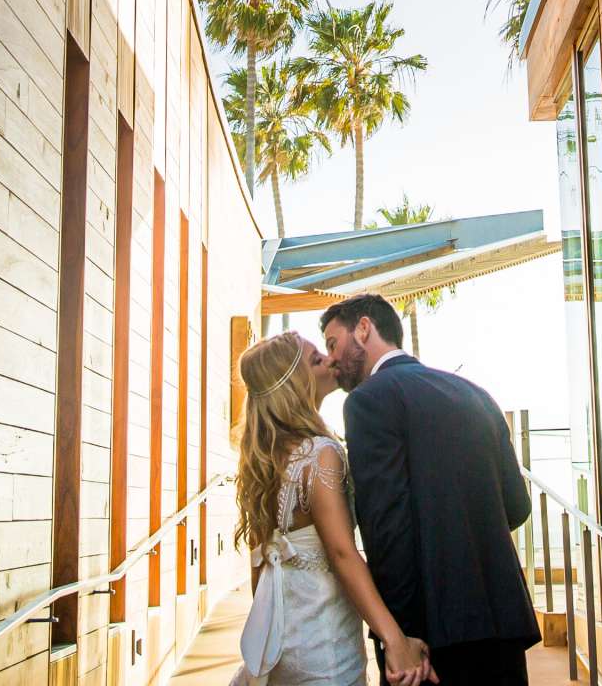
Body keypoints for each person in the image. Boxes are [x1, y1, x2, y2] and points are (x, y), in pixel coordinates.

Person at [323, 294, 540, 686]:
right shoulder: (475, 393)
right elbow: (517, 507)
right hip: (502, 624)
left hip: (429, 638)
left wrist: (400, 635)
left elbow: (385, 529)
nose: (332, 359)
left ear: (364, 328)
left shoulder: (368, 402)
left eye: (332, 343)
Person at [230, 330, 437, 686]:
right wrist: (395, 639)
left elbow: (260, 563)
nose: (330, 361)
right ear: (294, 383)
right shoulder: (320, 453)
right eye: (316, 359)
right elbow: (342, 553)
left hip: (279, 640)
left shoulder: (264, 462)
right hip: (323, 644)